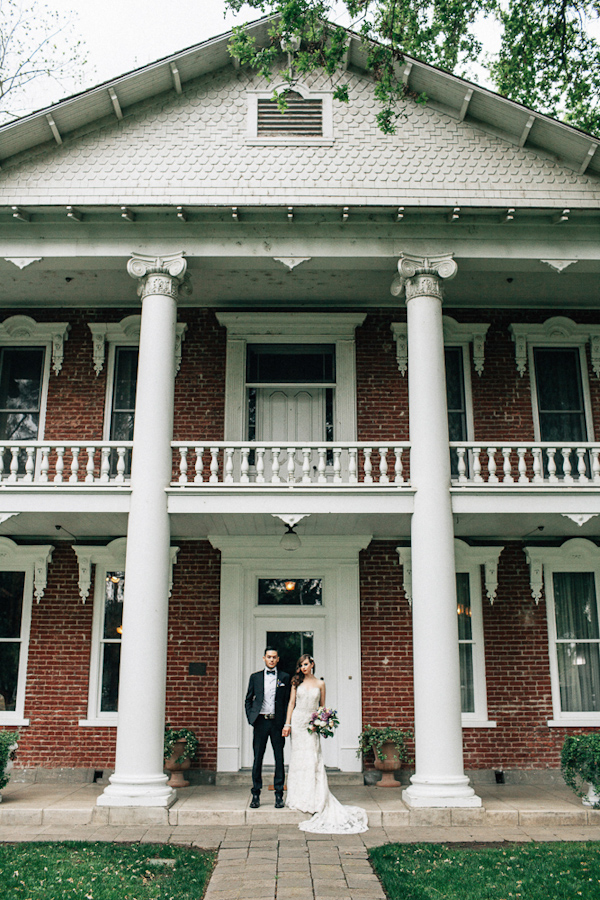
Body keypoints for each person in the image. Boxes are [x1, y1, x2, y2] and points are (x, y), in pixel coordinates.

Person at [283, 654, 368, 834]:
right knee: (299, 758)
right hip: (298, 722)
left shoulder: (321, 684)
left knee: (313, 757)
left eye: (306, 664)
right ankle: (298, 797)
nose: (303, 668)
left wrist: (322, 722)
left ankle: (315, 797)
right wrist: (287, 723)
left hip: (311, 724)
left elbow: (322, 707)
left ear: (312, 664)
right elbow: (291, 703)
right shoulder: (295, 682)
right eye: (301, 665)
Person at [245, 646, 291, 809]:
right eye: (269, 657)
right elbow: (248, 699)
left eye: (274, 657)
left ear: (278, 659)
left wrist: (287, 722)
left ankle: (279, 795)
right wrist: (252, 718)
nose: (271, 659)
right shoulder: (255, 677)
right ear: (264, 658)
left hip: (277, 723)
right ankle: (256, 794)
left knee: (279, 759)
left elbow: (287, 702)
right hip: (261, 722)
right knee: (258, 758)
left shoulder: (285, 677)